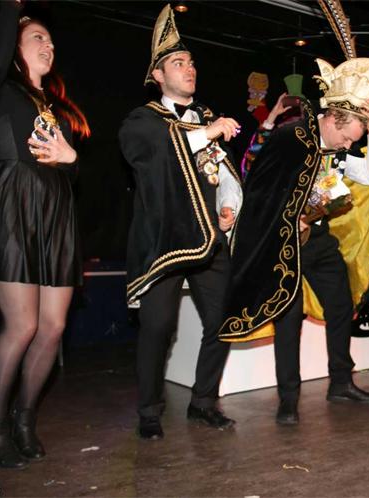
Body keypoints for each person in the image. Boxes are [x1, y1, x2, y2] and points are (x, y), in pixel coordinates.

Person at [219, 56, 369, 425]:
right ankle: (288, 399)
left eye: (354, 140)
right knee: (289, 318)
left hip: (318, 239)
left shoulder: (340, 147)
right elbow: (259, 186)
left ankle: (341, 382)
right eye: (347, 137)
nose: (348, 144)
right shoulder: (291, 137)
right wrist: (288, 217)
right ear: (333, 119)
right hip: (283, 241)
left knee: (341, 305)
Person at [0, 0, 90, 468]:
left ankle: (24, 419)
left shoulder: (56, 109)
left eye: (51, 40)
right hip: (13, 206)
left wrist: (72, 160)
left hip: (56, 212)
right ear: (15, 48)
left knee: (53, 326)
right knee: (22, 325)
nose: (49, 45)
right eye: (37, 37)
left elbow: (70, 170)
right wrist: (12, 6)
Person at [119, 4, 242, 440]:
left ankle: (203, 401)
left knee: (223, 321)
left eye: (191, 62)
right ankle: (149, 411)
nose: (189, 68)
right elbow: (152, 155)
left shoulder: (207, 116)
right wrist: (205, 134)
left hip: (208, 238)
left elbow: (224, 173)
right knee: (157, 328)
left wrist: (228, 207)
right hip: (166, 241)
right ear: (158, 74)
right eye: (178, 62)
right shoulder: (143, 121)